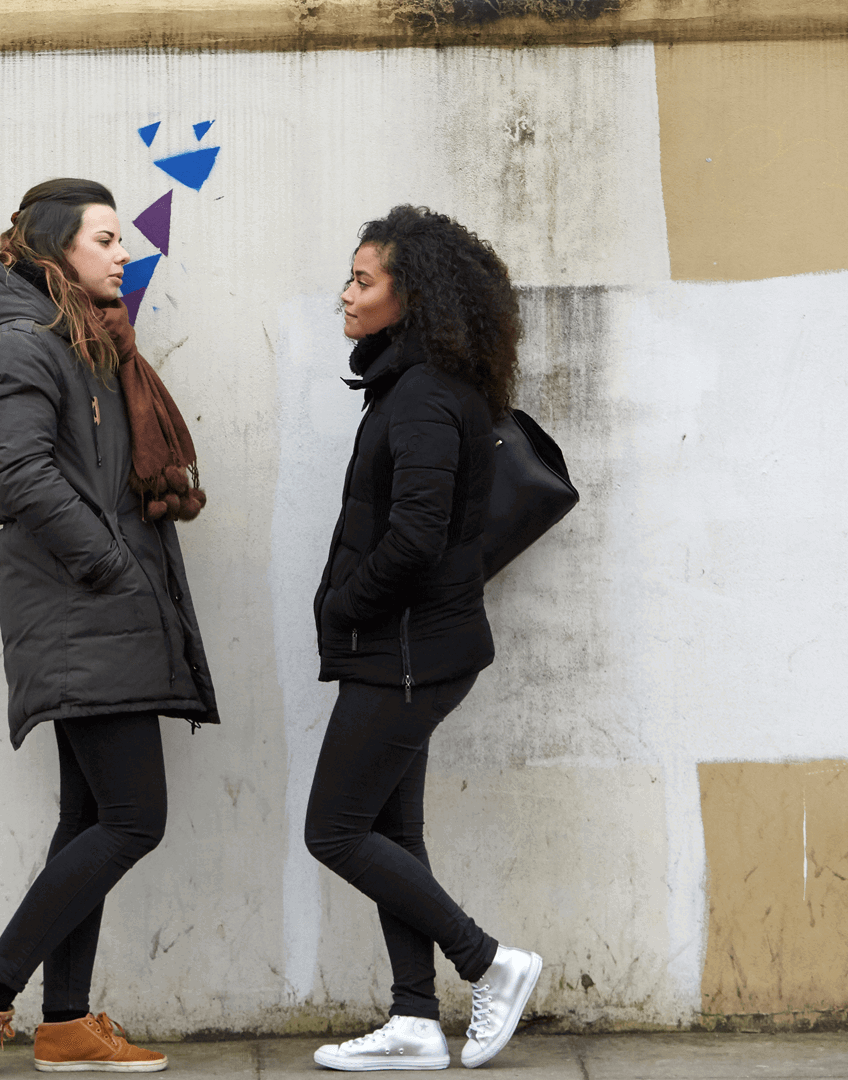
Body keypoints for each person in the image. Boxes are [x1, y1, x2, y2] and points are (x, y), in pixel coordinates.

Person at [0, 178, 219, 1074]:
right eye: (104, 240)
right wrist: (110, 562)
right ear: (56, 253)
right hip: (84, 611)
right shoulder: (20, 345)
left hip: (98, 614)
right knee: (135, 818)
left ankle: (63, 1024)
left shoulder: (81, 345)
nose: (121, 252)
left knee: (91, 817)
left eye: (122, 238)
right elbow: (13, 478)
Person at [304, 205, 542, 1071]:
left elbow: (415, 534)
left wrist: (345, 606)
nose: (347, 294)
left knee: (333, 830)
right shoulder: (417, 388)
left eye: (364, 281)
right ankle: (412, 1019)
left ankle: (491, 964)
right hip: (407, 648)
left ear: (413, 296)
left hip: (405, 651)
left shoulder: (424, 397)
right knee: (391, 834)